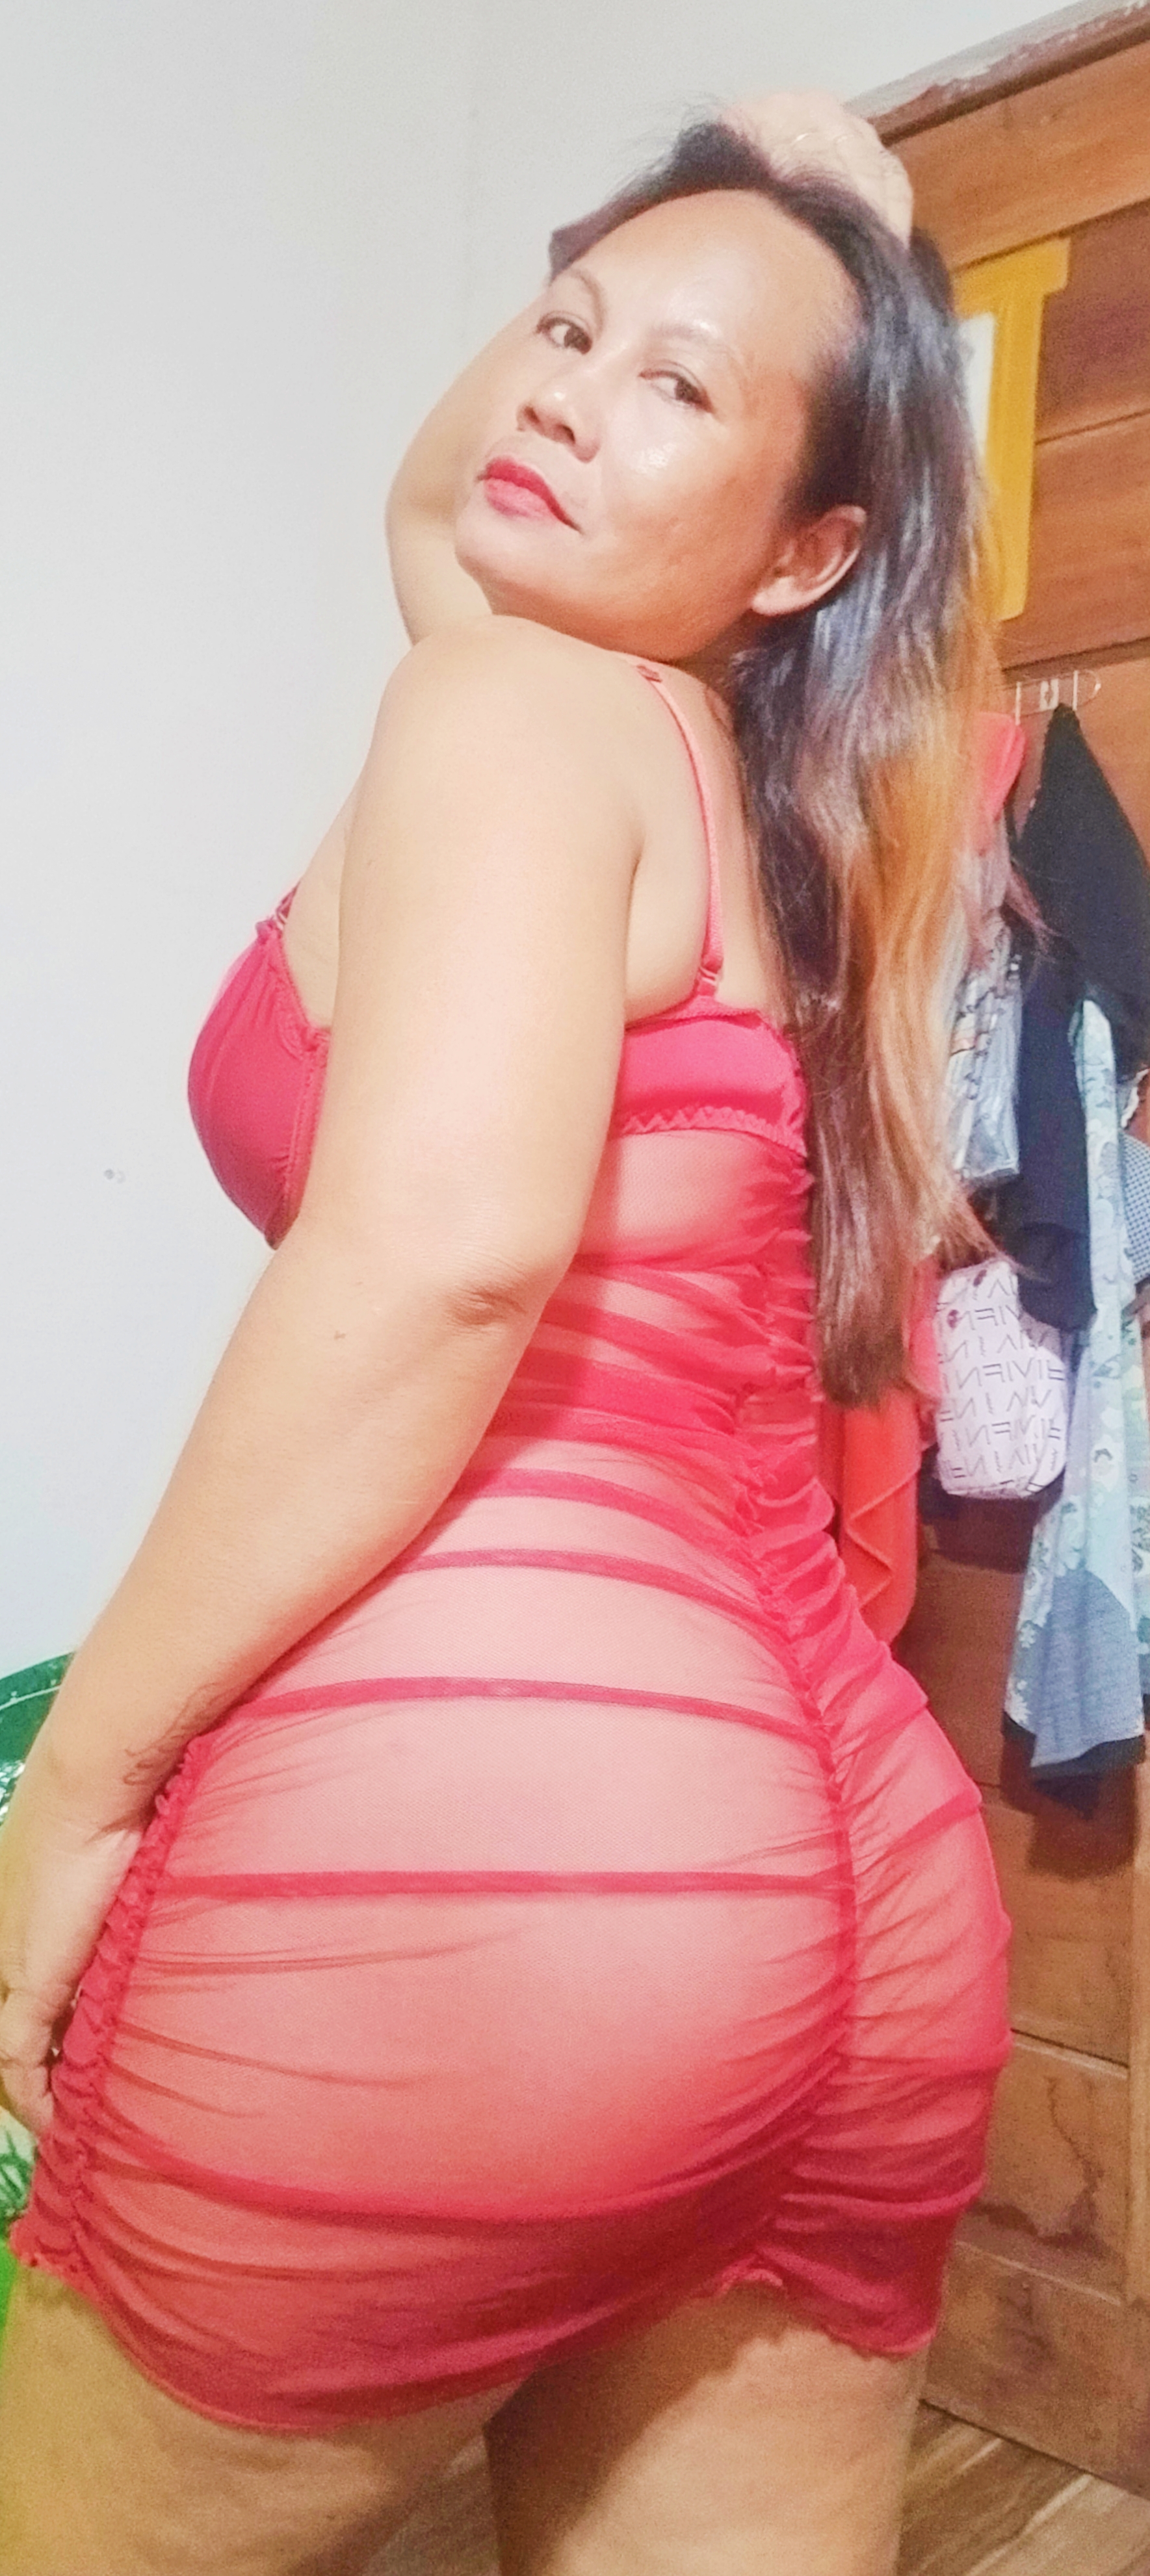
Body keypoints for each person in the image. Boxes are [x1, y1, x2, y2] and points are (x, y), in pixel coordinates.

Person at [0, 93, 1010, 2576]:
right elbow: (437, 489)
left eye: (676, 385)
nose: (557, 392)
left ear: (809, 547)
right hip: (864, 1884)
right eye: (562, 327)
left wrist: (84, 1779)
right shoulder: (779, 819)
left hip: (490, 1854)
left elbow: (442, 1252)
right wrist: (785, 227)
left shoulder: (514, 716)